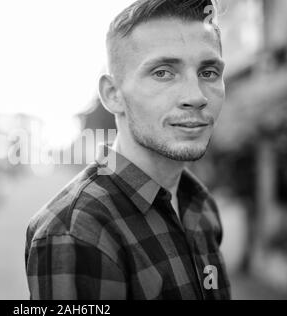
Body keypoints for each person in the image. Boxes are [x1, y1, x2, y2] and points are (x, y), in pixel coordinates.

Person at [25, 0, 231, 300]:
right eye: (163, 72)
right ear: (113, 95)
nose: (196, 96)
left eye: (209, 72)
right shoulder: (77, 230)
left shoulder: (199, 203)